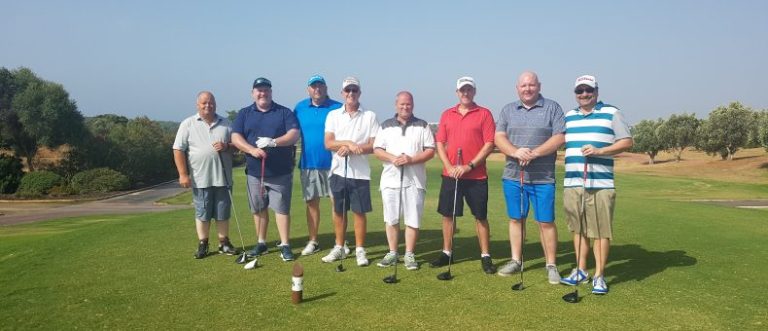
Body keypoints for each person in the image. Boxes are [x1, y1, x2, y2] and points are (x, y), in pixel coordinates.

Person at [560, 75, 633, 295]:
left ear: (596, 91)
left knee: (600, 230)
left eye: (588, 90)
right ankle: (581, 270)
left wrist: (600, 151)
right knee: (579, 228)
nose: (584, 94)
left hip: (600, 183)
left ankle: (599, 275)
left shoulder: (611, 113)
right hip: (573, 181)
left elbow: (627, 141)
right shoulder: (569, 116)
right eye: (579, 91)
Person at [494, 71, 565, 284]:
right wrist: (516, 152)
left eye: (531, 85)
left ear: (539, 86)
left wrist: (534, 153)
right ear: (517, 88)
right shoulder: (508, 110)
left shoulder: (552, 107)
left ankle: (551, 264)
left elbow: (559, 137)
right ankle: (516, 260)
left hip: (543, 177)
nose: (527, 89)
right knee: (516, 219)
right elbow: (499, 137)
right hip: (513, 176)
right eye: (523, 85)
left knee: (546, 221)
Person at [430, 76, 497, 274]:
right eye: (462, 90)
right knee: (448, 215)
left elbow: (489, 144)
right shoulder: (447, 114)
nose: (465, 93)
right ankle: (447, 252)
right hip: (451, 175)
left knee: (480, 216)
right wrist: (449, 166)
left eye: (469, 90)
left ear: (474, 92)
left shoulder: (484, 114)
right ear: (457, 92)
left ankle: (485, 255)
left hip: (476, 176)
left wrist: (469, 166)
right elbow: (440, 143)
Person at [231, 77, 300, 262]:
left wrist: (274, 142)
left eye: (266, 90)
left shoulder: (283, 112)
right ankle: (261, 242)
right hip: (255, 172)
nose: (263, 93)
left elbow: (293, 134)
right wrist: (252, 149)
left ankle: (285, 245)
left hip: (281, 171)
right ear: (253, 93)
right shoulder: (245, 113)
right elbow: (236, 137)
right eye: (259, 90)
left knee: (281, 209)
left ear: (271, 92)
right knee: (259, 208)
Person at [373, 91, 435, 270]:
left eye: (408, 104)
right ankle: (393, 252)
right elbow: (377, 149)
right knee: (391, 218)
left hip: (415, 180)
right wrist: (393, 158)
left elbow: (430, 150)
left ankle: (409, 254)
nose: (405, 107)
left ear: (412, 105)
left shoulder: (422, 125)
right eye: (402, 104)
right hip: (390, 180)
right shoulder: (385, 126)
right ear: (396, 105)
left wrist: (410, 159)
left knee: (412, 218)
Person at [321, 77, 380, 267]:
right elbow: (329, 143)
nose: (351, 94)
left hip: (360, 173)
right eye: (348, 90)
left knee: (359, 212)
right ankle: (339, 247)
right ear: (342, 93)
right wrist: (347, 143)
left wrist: (355, 149)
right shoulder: (333, 115)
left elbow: (374, 145)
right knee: (339, 211)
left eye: (354, 90)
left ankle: (360, 250)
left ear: (359, 93)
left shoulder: (369, 116)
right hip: (338, 171)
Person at [172, 91, 237, 259]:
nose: (208, 105)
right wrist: (183, 174)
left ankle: (224, 243)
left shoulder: (226, 123)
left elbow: (236, 147)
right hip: (200, 178)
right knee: (203, 212)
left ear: (216, 104)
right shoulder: (188, 123)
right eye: (204, 103)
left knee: (223, 213)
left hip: (223, 178)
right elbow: (178, 149)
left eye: (211, 102)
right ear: (197, 105)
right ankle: (203, 243)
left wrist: (226, 146)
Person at [293, 75, 343, 256]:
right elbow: (291, 132)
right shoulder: (299, 108)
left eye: (320, 85)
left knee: (337, 204)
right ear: (308, 89)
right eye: (313, 86)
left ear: (326, 87)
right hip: (308, 163)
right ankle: (313, 241)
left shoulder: (337, 107)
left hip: (334, 164)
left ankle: (340, 242)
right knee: (312, 204)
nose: (317, 89)